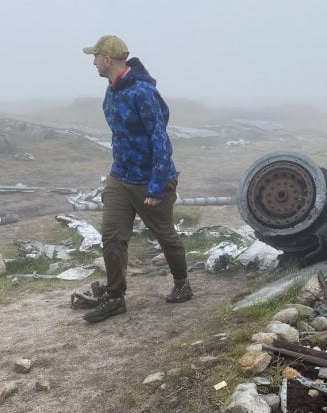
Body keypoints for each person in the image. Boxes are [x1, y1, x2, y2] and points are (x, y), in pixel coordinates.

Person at [81, 35, 192, 323]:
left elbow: (160, 138)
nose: (92, 62)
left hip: (150, 179)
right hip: (120, 176)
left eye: (95, 57)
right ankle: (115, 297)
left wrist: (156, 184)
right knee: (112, 236)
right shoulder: (112, 90)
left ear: (107, 59)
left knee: (165, 235)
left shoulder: (142, 92)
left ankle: (182, 284)